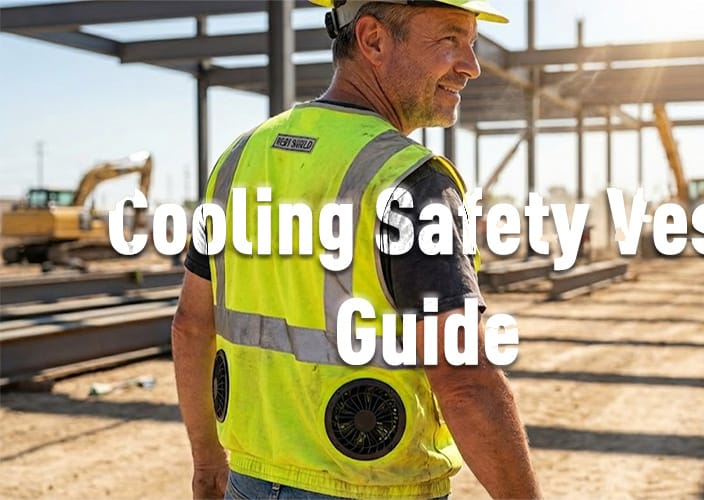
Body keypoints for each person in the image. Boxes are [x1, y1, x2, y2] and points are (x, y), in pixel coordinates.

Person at [171, 1, 542, 499]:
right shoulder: (409, 180)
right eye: (450, 40)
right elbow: (465, 381)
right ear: (372, 40)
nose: (471, 66)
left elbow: (191, 325)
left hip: (250, 483)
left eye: (471, 45)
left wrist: (207, 463)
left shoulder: (240, 159)